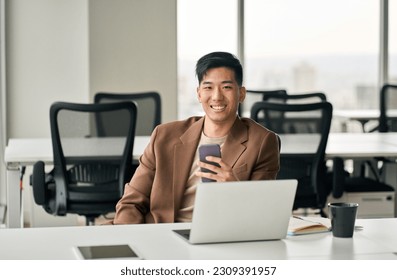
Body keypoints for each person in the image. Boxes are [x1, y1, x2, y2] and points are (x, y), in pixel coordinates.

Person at [110, 51, 280, 224]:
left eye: (226, 87)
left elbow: (260, 215)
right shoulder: (164, 136)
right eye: (208, 87)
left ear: (241, 94)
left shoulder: (262, 142)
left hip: (220, 238)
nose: (217, 96)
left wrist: (235, 190)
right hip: (162, 234)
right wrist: (127, 238)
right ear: (199, 94)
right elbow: (132, 201)